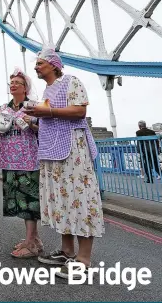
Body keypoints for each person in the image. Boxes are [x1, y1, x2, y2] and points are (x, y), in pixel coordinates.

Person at [24, 48, 103, 279]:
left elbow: (80, 111)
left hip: (73, 150)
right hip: (52, 151)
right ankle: (67, 251)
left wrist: (46, 110)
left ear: (54, 65)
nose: (36, 67)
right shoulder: (48, 90)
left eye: (40, 63)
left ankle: (84, 260)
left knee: (80, 198)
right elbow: (50, 120)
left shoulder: (71, 81)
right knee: (62, 199)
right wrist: (32, 119)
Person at [0, 67, 42, 258]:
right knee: (20, 203)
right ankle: (34, 239)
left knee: (29, 202)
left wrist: (31, 124)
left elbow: (43, 131)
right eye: (11, 82)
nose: (12, 85)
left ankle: (29, 243)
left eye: (16, 83)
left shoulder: (33, 106)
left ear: (25, 87)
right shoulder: (4, 108)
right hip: (8, 159)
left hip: (28, 159)